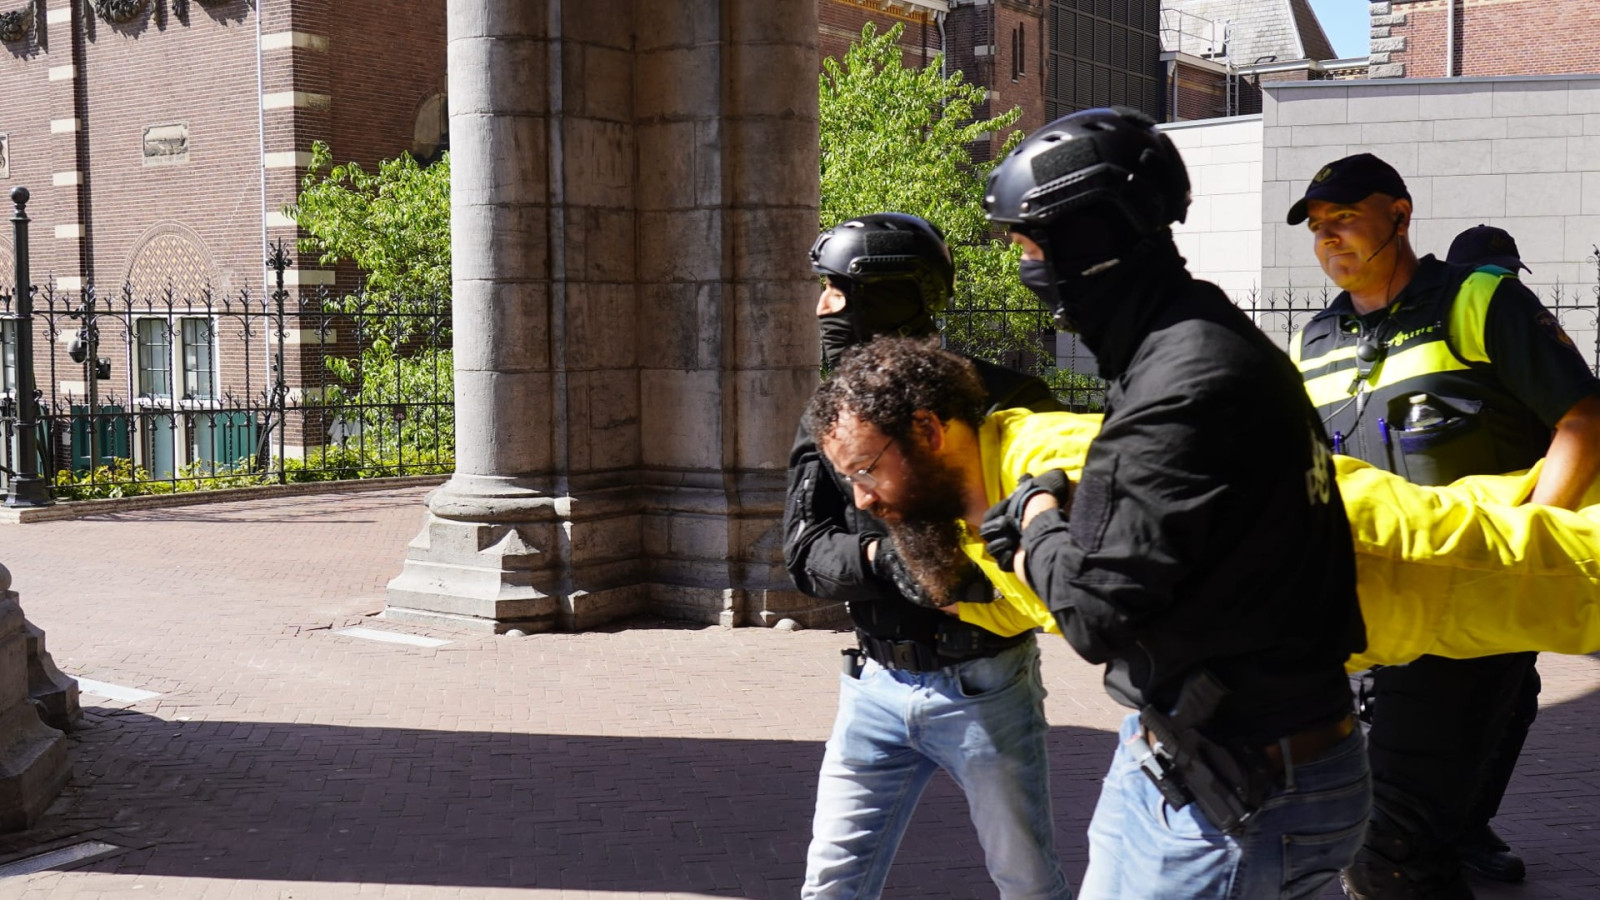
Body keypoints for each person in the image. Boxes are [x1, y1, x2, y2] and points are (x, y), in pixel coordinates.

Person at [810, 106, 1373, 900]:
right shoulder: (1203, 339)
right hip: (1194, 756)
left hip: (1234, 789)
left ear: (1092, 241)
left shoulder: (1183, 386)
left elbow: (1096, 616)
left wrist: (1030, 520)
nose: (1029, 271)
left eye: (1033, 247)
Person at [1286, 155, 1600, 899]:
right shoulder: (1315, 340)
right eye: (1318, 229)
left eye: (1346, 219)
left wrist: (1517, 552)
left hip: (1470, 610)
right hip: (1374, 614)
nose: (1331, 240)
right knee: (1410, 840)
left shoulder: (1479, 299)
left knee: (1385, 846)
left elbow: (1584, 417)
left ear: (1400, 213)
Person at [787, 213, 1072, 900]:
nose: (822, 307)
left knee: (1027, 882)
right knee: (830, 885)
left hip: (984, 685)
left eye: (837, 290)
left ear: (890, 296)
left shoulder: (1008, 402)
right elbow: (803, 549)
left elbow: (1043, 536)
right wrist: (890, 563)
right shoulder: (830, 415)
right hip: (872, 687)